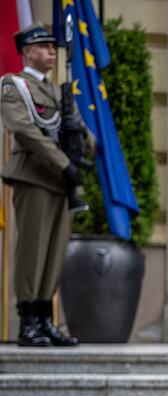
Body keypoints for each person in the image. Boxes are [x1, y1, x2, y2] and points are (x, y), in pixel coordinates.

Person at [0, 23, 92, 347]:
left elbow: (77, 129)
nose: (52, 52)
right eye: (44, 47)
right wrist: (64, 163)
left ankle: (44, 319)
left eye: (54, 47)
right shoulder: (15, 86)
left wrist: (86, 145)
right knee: (32, 251)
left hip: (60, 181)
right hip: (35, 176)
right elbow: (24, 130)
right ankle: (27, 322)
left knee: (53, 253)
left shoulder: (59, 91)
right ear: (27, 52)